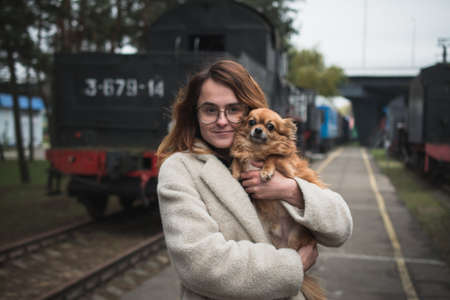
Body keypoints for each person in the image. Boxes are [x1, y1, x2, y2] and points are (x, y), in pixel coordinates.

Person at [156, 60, 353, 300]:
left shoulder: (275, 157)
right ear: (194, 115)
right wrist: (293, 266)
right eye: (210, 110)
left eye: (233, 109)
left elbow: (340, 229)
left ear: (249, 110)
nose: (221, 120)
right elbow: (202, 265)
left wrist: (290, 190)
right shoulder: (180, 169)